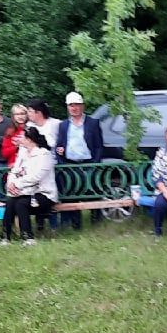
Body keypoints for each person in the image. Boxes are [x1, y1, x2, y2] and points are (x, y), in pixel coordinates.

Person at [55, 91, 104, 229]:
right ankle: (76, 226)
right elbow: (59, 145)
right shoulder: (63, 125)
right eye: (71, 105)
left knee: (94, 193)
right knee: (72, 195)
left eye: (77, 105)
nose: (74, 108)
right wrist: (61, 154)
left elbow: (99, 146)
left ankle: (97, 224)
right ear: (67, 107)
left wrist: (95, 163)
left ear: (82, 106)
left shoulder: (92, 123)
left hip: (89, 163)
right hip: (70, 165)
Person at [3, 126, 59, 243]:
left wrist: (17, 185)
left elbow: (35, 177)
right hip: (24, 191)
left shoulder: (44, 155)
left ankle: (28, 237)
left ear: (29, 139)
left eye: (21, 137)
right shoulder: (22, 153)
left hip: (44, 194)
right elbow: (14, 171)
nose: (19, 139)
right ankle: (5, 237)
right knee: (10, 202)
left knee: (20, 203)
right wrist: (10, 184)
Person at [1, 103, 30, 169]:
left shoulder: (32, 129)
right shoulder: (10, 131)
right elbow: (4, 153)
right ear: (13, 116)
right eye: (17, 114)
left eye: (22, 113)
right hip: (14, 166)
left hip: (30, 164)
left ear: (26, 115)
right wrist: (16, 146)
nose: (20, 116)